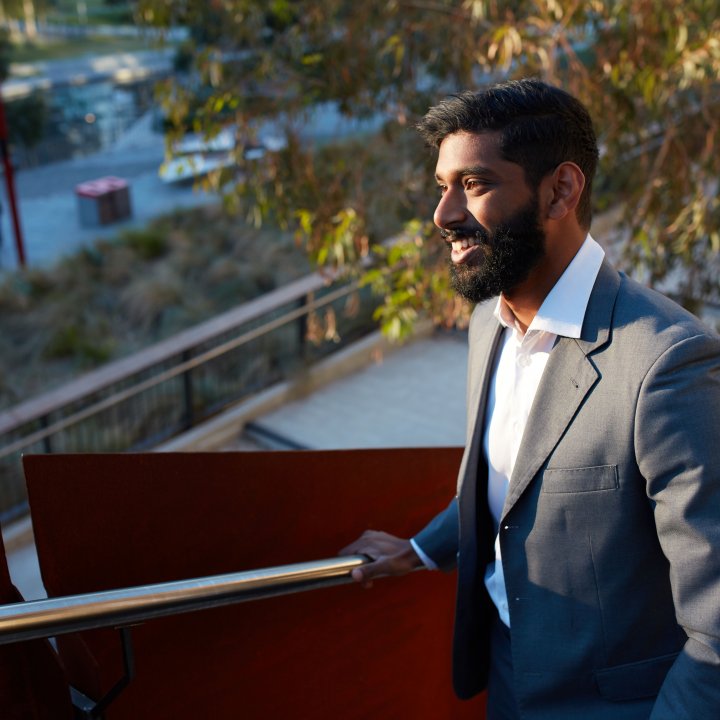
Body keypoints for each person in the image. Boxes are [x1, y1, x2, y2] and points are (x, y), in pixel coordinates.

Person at [340, 78, 720, 719]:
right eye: (442, 186)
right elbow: (508, 485)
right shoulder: (488, 322)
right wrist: (424, 548)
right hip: (507, 683)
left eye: (475, 184)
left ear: (560, 191)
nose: (444, 216)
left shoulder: (667, 362)